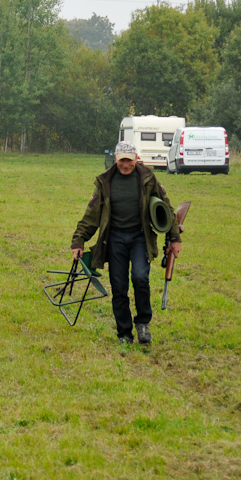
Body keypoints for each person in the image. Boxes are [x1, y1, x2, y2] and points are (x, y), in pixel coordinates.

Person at [72, 140, 182, 346]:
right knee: (119, 286)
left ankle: (142, 324)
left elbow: (166, 208)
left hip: (140, 238)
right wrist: (78, 240)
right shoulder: (105, 182)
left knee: (140, 278)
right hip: (114, 240)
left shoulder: (147, 178)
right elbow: (91, 215)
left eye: (129, 161)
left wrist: (175, 238)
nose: (125, 165)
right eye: (122, 160)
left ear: (136, 159)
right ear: (115, 159)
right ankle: (124, 333)